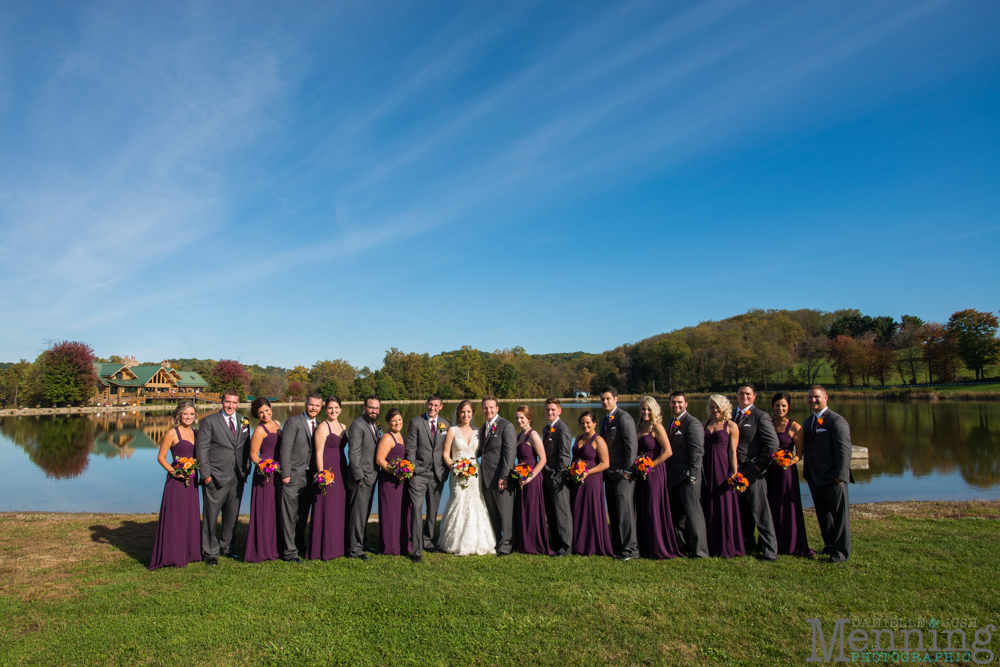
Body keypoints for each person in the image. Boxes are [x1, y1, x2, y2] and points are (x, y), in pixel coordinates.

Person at [196, 389, 251, 565]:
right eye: (228, 402)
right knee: (211, 517)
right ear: (222, 401)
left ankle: (227, 548)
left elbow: (246, 446)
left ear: (238, 403)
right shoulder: (209, 421)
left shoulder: (244, 420)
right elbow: (202, 450)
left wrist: (247, 468)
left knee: (231, 516)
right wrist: (206, 474)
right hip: (215, 475)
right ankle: (210, 552)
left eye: (234, 402)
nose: (231, 406)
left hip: (237, 476)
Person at [803, 385, 854, 563]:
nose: (813, 400)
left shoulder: (836, 421)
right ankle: (830, 546)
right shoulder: (808, 422)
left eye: (816, 397)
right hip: (815, 477)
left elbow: (844, 450)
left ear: (826, 398)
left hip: (833, 478)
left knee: (839, 517)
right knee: (823, 515)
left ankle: (840, 553)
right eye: (810, 397)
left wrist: (840, 476)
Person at [438, 400, 496, 555]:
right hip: (457, 472)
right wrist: (455, 468)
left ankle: (478, 541)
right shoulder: (452, 431)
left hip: (475, 473)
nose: (465, 415)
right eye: (462, 412)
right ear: (458, 414)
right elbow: (445, 454)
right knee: (458, 500)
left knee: (476, 501)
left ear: (473, 413)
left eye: (468, 412)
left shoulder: (478, 431)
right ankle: (454, 541)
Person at [149, 401, 201, 569]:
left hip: (192, 479)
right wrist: (174, 472)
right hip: (176, 481)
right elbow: (161, 457)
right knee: (175, 517)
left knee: (189, 516)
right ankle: (172, 554)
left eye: (191, 414)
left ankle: (190, 553)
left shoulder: (196, 433)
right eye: (185, 414)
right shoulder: (172, 433)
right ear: (179, 415)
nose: (188, 417)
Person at [733, 384, 780, 561]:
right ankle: (746, 543)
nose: (744, 397)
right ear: (736, 395)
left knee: (761, 512)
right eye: (741, 394)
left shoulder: (760, 416)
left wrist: (759, 466)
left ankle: (770, 550)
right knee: (743, 511)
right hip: (736, 472)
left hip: (753, 472)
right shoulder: (730, 415)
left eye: (748, 394)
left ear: (754, 397)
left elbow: (772, 444)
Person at [766, 392, 814, 557]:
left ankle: (791, 543)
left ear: (788, 407)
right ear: (773, 406)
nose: (780, 408)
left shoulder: (795, 427)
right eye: (777, 405)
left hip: (787, 473)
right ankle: (773, 543)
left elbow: (799, 454)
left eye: (784, 405)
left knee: (787, 505)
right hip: (770, 472)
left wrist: (787, 462)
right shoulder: (768, 424)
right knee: (771, 505)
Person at [633, 396, 681, 559]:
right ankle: (645, 543)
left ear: (654, 410)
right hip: (641, 473)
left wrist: (650, 465)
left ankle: (658, 545)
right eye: (643, 409)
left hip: (654, 473)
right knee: (643, 506)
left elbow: (668, 451)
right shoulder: (639, 427)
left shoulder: (657, 427)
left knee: (654, 506)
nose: (645, 412)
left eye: (648, 409)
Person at [277, 393, 322, 563]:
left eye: (317, 406)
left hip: (310, 477)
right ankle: (289, 552)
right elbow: (285, 450)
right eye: (311, 405)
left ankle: (299, 543)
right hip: (293, 475)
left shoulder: (319, 425)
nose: (314, 408)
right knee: (289, 514)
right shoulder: (293, 422)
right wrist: (286, 474)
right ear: (306, 404)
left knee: (303, 514)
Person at [404, 394, 450, 561]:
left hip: (437, 474)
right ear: (426, 404)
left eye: (436, 405)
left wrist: (445, 472)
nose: (432, 408)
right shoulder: (415, 422)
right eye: (430, 405)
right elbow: (410, 449)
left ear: (441, 406)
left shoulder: (446, 424)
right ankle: (416, 550)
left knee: (432, 511)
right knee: (417, 509)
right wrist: (414, 469)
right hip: (419, 474)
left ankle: (428, 541)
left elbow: (447, 449)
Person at [665, 392, 708, 558]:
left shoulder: (693, 423)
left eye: (679, 402)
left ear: (686, 404)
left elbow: (697, 452)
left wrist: (693, 475)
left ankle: (700, 551)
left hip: (688, 476)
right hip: (674, 476)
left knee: (693, 514)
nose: (676, 405)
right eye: (673, 402)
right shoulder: (670, 422)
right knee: (679, 515)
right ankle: (686, 544)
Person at [701, 395, 744, 558]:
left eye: (718, 407)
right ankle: (711, 544)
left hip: (722, 469)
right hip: (706, 469)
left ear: (725, 407)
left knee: (724, 505)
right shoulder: (704, 425)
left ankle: (727, 544)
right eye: (712, 407)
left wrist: (734, 474)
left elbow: (733, 452)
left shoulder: (731, 426)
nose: (715, 410)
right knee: (708, 503)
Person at [599, 386, 639, 560]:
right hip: (609, 474)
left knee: (625, 513)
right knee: (614, 513)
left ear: (616, 399)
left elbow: (632, 446)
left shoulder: (624, 418)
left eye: (608, 398)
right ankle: (617, 545)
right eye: (602, 399)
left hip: (623, 474)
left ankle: (631, 550)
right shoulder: (603, 421)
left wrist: (627, 470)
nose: (605, 402)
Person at [308, 396, 349, 561]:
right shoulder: (322, 428)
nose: (333, 411)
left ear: (340, 409)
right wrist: (322, 474)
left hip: (341, 469)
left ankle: (338, 546)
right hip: (328, 469)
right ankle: (323, 548)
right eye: (330, 408)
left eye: (336, 408)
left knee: (339, 508)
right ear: (325, 410)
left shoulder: (343, 426)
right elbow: (318, 453)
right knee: (326, 507)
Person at [477, 395, 517, 556]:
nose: (488, 410)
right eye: (485, 408)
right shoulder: (482, 428)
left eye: (491, 407)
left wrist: (505, 476)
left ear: (497, 408)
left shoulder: (506, 426)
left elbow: (510, 453)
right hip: (486, 477)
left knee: (505, 512)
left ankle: (507, 544)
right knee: (492, 512)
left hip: (501, 477)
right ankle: (497, 540)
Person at [570, 411, 614, 556]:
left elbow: (605, 463)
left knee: (591, 510)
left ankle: (593, 544)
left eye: (588, 422)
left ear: (594, 423)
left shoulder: (598, 440)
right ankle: (579, 544)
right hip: (577, 480)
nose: (585, 425)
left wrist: (587, 472)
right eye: (582, 423)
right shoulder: (578, 438)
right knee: (578, 510)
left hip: (592, 480)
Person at [245, 397, 282, 563]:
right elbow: (253, 455)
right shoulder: (259, 431)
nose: (265, 414)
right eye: (260, 412)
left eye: (267, 410)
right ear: (256, 414)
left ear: (271, 409)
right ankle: (262, 548)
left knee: (276, 509)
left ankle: (275, 546)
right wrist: (265, 466)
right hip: (265, 473)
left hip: (279, 471)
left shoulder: (278, 423)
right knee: (265, 510)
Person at [512, 405, 551, 555]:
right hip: (521, 477)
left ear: (529, 418)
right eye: (517, 418)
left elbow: (543, 459)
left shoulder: (533, 435)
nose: (519, 420)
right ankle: (523, 542)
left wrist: (529, 477)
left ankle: (534, 544)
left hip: (532, 478)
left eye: (522, 418)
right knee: (523, 509)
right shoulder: (519, 435)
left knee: (532, 510)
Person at [347, 395, 382, 560]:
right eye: (371, 407)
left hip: (372, 475)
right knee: (357, 514)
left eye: (376, 408)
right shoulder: (357, 425)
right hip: (360, 478)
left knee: (364, 512)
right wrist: (359, 476)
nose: (374, 410)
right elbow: (353, 453)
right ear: (364, 407)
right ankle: (355, 549)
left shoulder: (373, 425)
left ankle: (362, 541)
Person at [375, 408, 411, 556]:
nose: (397, 423)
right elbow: (379, 460)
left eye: (399, 419)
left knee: (400, 513)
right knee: (390, 514)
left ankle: (401, 543)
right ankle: (390, 547)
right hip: (389, 481)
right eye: (393, 420)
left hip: (400, 481)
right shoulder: (387, 438)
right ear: (388, 423)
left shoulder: (401, 436)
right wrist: (395, 472)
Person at [541, 397, 573, 556]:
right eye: (547, 409)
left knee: (562, 514)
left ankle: (566, 547)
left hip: (558, 478)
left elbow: (565, 456)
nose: (550, 412)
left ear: (559, 411)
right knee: (551, 513)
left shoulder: (563, 429)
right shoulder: (546, 428)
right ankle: (555, 542)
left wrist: (558, 477)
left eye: (553, 409)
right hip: (546, 477)